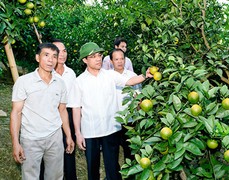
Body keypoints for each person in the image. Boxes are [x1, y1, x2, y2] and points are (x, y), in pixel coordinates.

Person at [69, 42, 152, 180]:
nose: (98, 59)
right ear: (85, 60)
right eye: (93, 56)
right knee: (92, 167)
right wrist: (78, 133)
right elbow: (76, 108)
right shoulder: (79, 82)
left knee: (113, 166)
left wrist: (145, 75)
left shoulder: (110, 75)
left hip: (111, 129)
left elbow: (129, 81)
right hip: (91, 131)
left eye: (100, 55)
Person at [10, 43, 75, 180]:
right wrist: (16, 143)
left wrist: (68, 135)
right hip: (31, 139)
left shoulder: (60, 83)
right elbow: (16, 113)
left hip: (55, 138)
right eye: (46, 55)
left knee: (55, 176)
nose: (51, 60)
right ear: (37, 58)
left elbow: (62, 110)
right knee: (30, 177)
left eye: (54, 56)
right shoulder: (24, 82)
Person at [53, 39, 77, 180]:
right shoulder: (46, 72)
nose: (62, 54)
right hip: (51, 115)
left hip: (68, 113)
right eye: (58, 51)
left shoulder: (71, 73)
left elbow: (74, 99)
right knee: (52, 152)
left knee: (69, 148)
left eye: (64, 50)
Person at [110, 48, 140, 161]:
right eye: (116, 59)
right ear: (111, 61)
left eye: (122, 59)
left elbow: (139, 97)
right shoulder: (107, 77)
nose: (119, 61)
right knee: (113, 153)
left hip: (130, 120)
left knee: (130, 151)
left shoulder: (133, 76)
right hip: (113, 121)